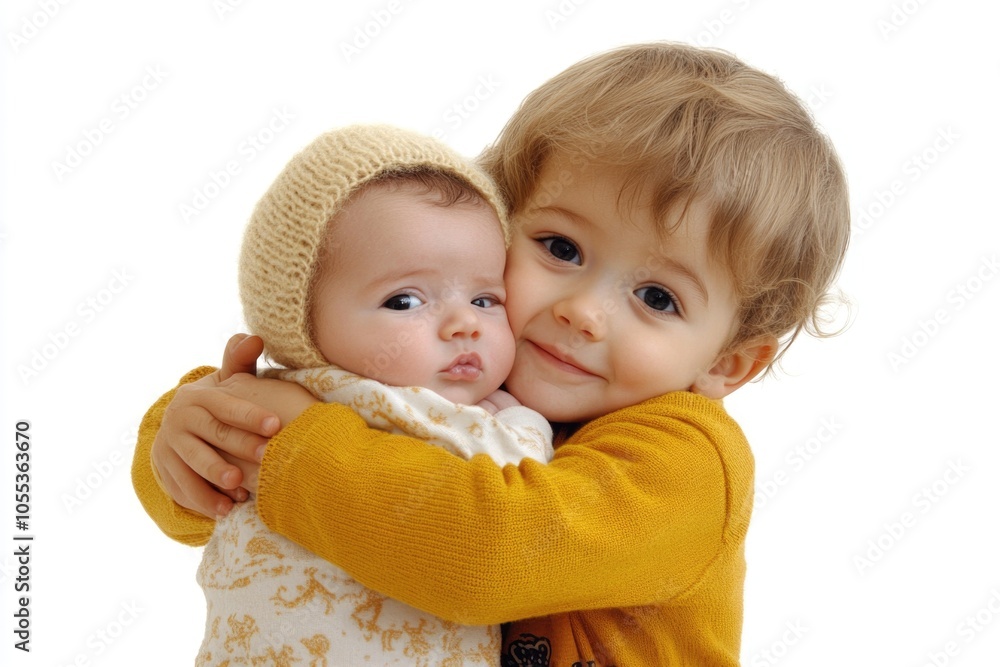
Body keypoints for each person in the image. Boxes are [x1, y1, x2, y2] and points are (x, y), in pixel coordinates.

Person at [132, 42, 851, 666]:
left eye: (658, 298)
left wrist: (288, 447)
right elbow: (218, 510)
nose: (583, 312)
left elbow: (486, 554)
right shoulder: (461, 374)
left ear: (727, 362)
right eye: (560, 247)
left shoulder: (686, 463)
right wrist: (196, 431)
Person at [187, 124, 554, 665]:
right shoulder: (411, 410)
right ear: (303, 324)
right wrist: (526, 421)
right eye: (405, 301)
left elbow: (188, 492)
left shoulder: (257, 401)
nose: (464, 324)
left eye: (485, 299)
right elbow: (523, 488)